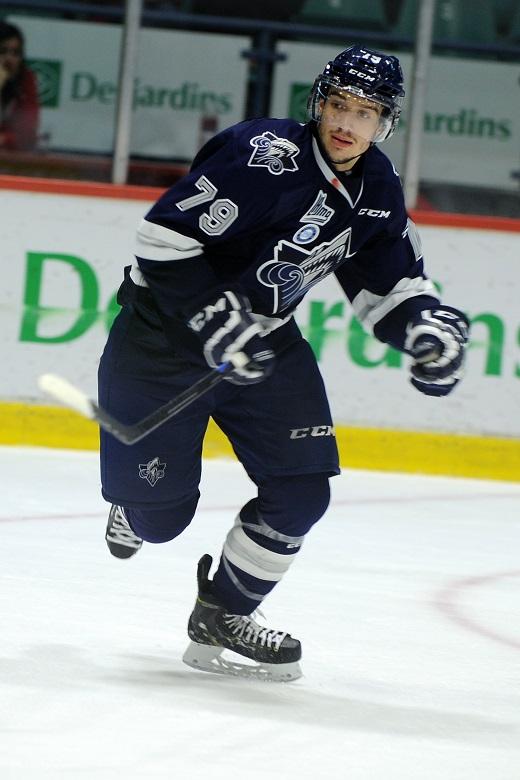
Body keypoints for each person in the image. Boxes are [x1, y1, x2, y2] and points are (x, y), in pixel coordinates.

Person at [98, 45, 469, 681]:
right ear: (318, 102)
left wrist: (424, 329)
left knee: (302, 491)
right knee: (161, 522)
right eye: (338, 105)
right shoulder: (260, 154)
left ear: (387, 122)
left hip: (264, 341)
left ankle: (225, 612)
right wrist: (215, 322)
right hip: (161, 342)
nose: (347, 123)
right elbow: (161, 240)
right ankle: (136, 507)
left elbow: (387, 286)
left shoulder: (376, 186)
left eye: (366, 112)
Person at [0, 22, 39, 152]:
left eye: (16, 53)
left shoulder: (26, 79)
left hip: (11, 156)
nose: (9, 59)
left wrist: (5, 139)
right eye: (3, 51)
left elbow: (28, 133)